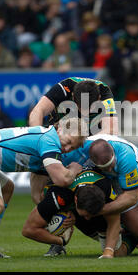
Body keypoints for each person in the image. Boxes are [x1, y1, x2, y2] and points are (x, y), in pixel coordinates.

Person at [0, 117, 86, 261]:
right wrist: (74, 170)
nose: (67, 149)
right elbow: (62, 179)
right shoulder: (49, 140)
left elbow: (37, 197)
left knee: (6, 189)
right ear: (60, 128)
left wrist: (60, 216)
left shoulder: (48, 147)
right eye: (68, 142)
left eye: (73, 148)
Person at [27, 76, 119, 255]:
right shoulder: (65, 88)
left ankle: (106, 229)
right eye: (79, 107)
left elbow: (112, 130)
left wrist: (82, 145)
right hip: (54, 143)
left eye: (88, 109)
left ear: (98, 101)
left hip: (83, 147)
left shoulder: (105, 93)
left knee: (100, 188)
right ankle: (58, 238)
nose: (83, 113)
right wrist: (38, 140)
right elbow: (37, 112)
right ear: (74, 99)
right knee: (38, 195)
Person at [22, 168, 122, 259]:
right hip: (63, 193)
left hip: (120, 197)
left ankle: (131, 234)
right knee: (40, 202)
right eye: (85, 215)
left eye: (91, 214)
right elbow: (28, 230)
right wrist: (61, 240)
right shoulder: (58, 195)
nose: (88, 218)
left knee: (118, 251)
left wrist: (108, 252)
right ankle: (56, 245)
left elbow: (114, 222)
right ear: (75, 200)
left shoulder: (106, 190)